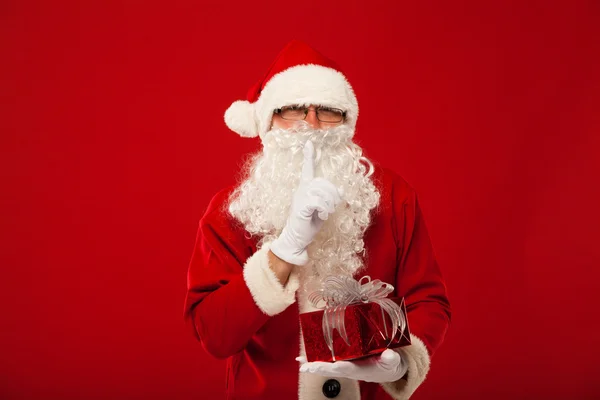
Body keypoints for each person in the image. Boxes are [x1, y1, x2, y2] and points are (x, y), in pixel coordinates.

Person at [183, 40, 452, 400]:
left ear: (346, 123)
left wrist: (404, 360)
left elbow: (428, 300)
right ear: (268, 123)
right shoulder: (231, 210)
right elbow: (214, 334)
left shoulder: (392, 197)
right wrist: (286, 248)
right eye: (292, 109)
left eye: (327, 110)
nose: (311, 124)